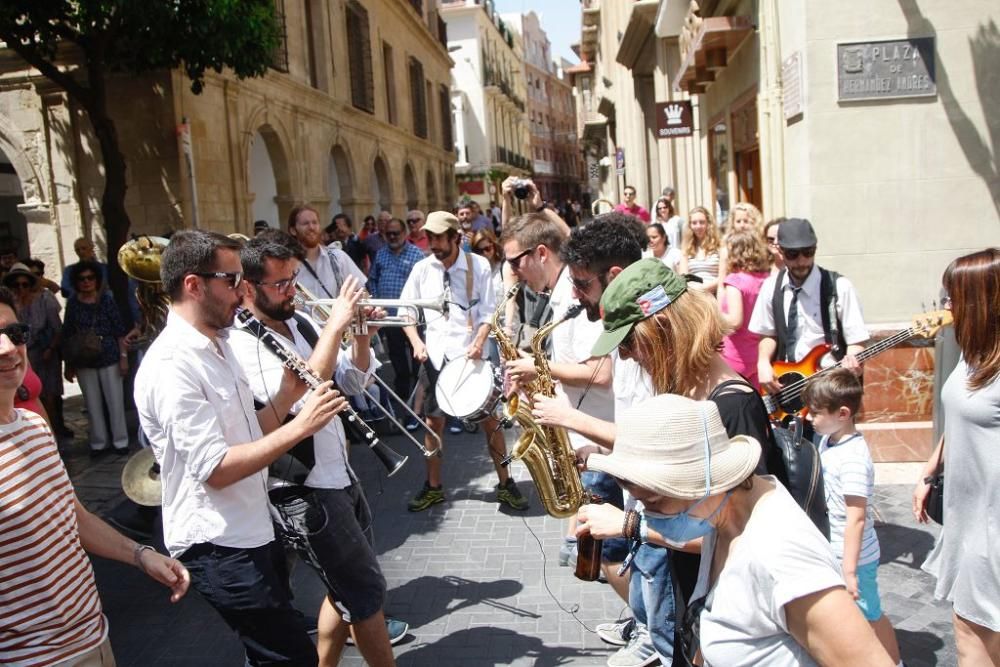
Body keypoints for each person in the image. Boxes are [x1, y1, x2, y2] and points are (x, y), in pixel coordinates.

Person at [135, 230, 347, 666]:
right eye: (230, 281)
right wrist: (301, 427)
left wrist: (288, 399)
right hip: (219, 543)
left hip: (251, 527)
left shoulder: (219, 343)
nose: (241, 291)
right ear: (193, 285)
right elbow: (216, 468)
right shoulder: (174, 364)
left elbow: (249, 435)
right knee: (291, 658)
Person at [584, 393, 895, 666]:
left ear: (702, 483)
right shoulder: (724, 517)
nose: (646, 515)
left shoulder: (782, 557)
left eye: (653, 501)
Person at [230, 234, 407, 665]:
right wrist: (337, 323)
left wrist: (361, 335)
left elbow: (352, 383)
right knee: (365, 596)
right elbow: (303, 392)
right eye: (281, 284)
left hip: (338, 473)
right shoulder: (241, 344)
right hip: (302, 488)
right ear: (248, 288)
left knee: (344, 593)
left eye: (293, 279)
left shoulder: (301, 325)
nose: (292, 291)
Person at [0, 285, 190, 667]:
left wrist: (140, 555)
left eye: (14, 333)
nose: (7, 348)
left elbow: (73, 517)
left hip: (94, 638)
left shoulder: (34, 427)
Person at [399, 211, 528, 512]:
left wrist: (480, 341)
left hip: (470, 355)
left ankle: (506, 483)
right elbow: (407, 311)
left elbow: (489, 311)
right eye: (429, 237)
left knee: (490, 422)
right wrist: (417, 343)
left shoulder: (477, 265)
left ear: (455, 238)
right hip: (435, 354)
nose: (433, 243)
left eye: (439, 238)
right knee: (433, 424)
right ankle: (433, 488)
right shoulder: (422, 269)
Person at [915, 248, 1000, 665]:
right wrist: (932, 468)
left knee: (973, 639)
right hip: (967, 520)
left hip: (992, 529)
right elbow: (963, 417)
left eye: (952, 296)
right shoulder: (974, 353)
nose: (946, 305)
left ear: (980, 300)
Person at [803, 369, 902, 664]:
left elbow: (856, 517)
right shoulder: (828, 440)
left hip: (855, 559)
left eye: (816, 412)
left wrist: (848, 570)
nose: (809, 417)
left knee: (869, 616)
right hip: (832, 551)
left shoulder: (854, 458)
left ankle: (893, 661)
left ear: (843, 413)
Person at [749, 218, 868, 396]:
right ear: (780, 250)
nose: (801, 261)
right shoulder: (771, 287)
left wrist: (853, 362)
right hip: (788, 386)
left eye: (808, 252)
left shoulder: (840, 287)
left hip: (831, 386)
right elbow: (768, 334)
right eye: (793, 254)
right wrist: (763, 362)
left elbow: (856, 340)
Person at [62, 260, 131, 455]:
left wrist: (123, 357)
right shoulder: (73, 304)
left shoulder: (107, 300)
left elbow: (119, 331)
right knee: (92, 404)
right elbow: (68, 333)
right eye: (81, 279)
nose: (86, 282)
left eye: (90, 278)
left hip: (109, 355)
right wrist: (69, 364)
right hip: (84, 359)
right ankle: (98, 442)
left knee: (115, 401)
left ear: (97, 280)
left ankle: (120, 441)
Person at [3, 262, 69, 436]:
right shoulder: (9, 307)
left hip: (45, 352)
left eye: (25, 284)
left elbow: (57, 327)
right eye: (16, 285)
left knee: (50, 394)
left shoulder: (44, 298)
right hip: (26, 354)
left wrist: (51, 349)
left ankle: (57, 428)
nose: (21, 288)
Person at [368, 217, 425, 400]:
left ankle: (419, 393)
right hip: (389, 317)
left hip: (412, 316)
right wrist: (377, 300)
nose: (392, 236)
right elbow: (373, 279)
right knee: (397, 356)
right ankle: (402, 392)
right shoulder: (381, 254)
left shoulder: (416, 254)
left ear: (404, 233)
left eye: (396, 233)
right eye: (389, 233)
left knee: (418, 356)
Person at [719, 231, 772, 388]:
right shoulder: (766, 279)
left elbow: (735, 321)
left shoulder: (735, 281)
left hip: (734, 357)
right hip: (759, 357)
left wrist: (711, 314)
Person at [287, 204, 367, 303]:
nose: (311, 227)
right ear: (293, 230)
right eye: (305, 223)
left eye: (315, 223)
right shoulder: (286, 265)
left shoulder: (338, 257)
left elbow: (362, 289)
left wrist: (364, 305)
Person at [678, 206, 723, 295]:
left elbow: (724, 275)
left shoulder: (719, 246)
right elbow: (683, 277)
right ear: (690, 225)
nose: (698, 226)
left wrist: (704, 288)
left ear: (708, 224)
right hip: (694, 296)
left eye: (702, 222)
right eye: (694, 223)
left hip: (715, 294)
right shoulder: (686, 249)